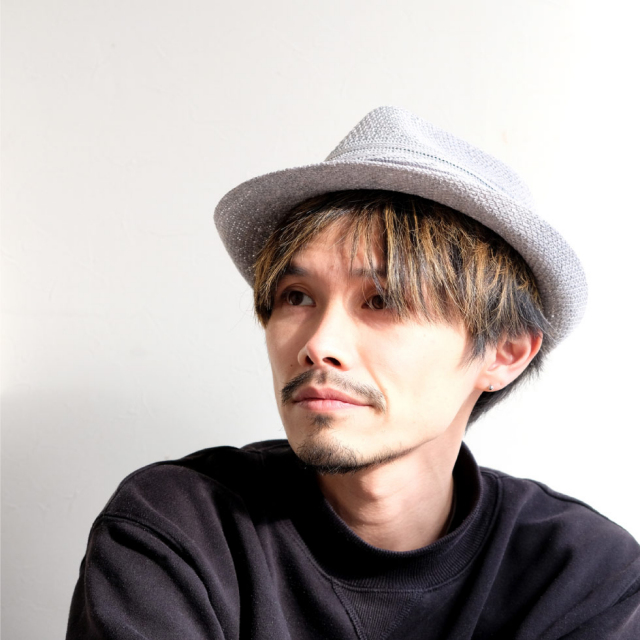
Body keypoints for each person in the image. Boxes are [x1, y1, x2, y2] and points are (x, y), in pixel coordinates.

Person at [66, 107, 640, 639]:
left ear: (505, 353)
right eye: (297, 296)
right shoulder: (181, 528)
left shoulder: (582, 573)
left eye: (381, 300)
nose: (319, 345)